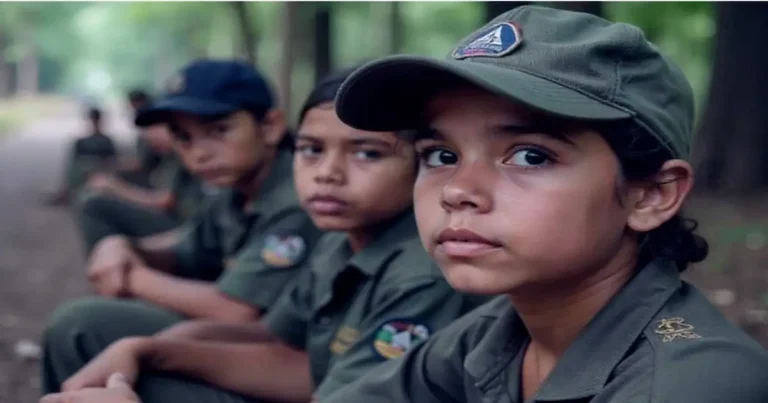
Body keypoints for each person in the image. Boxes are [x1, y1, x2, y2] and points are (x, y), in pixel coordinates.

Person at [320, 5, 768, 403]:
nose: (456, 191)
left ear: (653, 193)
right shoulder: (503, 329)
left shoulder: (691, 384)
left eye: (531, 156)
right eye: (441, 156)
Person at [39, 67, 489, 403]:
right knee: (115, 355)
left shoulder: (423, 274)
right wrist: (150, 350)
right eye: (311, 150)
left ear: (425, 164)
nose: (327, 174)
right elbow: (288, 350)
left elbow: (248, 323)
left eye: (367, 153)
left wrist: (143, 310)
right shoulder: (339, 237)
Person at [41, 59, 325, 395]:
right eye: (184, 137)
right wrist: (123, 246)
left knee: (79, 326)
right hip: (242, 341)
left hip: (277, 363)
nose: (199, 152)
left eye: (219, 130)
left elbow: (236, 313)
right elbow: (182, 248)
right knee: (88, 329)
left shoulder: (298, 197)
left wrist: (130, 276)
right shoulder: (235, 190)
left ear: (270, 126)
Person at [74, 119, 209, 254]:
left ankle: (111, 261)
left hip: (182, 224)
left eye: (155, 128)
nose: (149, 136)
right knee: (92, 193)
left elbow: (164, 201)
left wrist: (115, 187)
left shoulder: (181, 155)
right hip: (174, 218)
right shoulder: (164, 154)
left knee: (94, 205)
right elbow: (140, 166)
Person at [45, 107, 117, 206]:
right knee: (76, 167)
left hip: (99, 167)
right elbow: (73, 160)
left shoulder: (106, 141)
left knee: (82, 168)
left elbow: (112, 160)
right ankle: (68, 191)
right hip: (82, 167)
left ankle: (69, 193)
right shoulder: (81, 141)